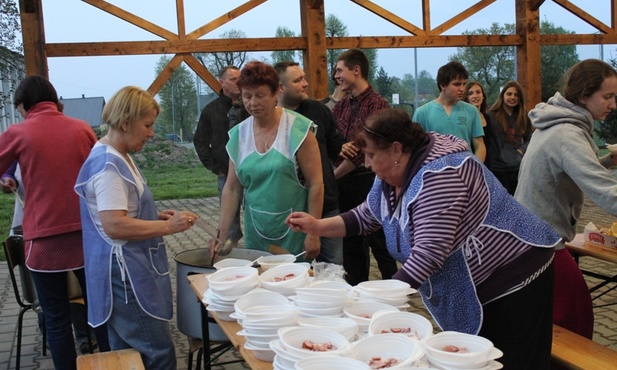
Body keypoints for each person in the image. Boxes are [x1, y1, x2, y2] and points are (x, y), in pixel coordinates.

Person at [287, 108, 560, 368]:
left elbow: (429, 254)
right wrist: (317, 225)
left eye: (370, 155)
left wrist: (377, 303)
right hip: (482, 281)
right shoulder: (393, 173)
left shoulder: (440, 175)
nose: (367, 164)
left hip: (514, 274)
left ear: (396, 149)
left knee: (510, 359)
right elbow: (365, 216)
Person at [74, 86, 199, 370]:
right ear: (125, 121)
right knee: (157, 353)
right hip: (123, 273)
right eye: (147, 125)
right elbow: (115, 225)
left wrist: (156, 216)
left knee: (126, 349)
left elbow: (123, 209)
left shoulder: (119, 155)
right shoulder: (108, 166)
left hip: (124, 267)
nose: (152, 133)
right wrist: (169, 228)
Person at [0, 75, 107, 369]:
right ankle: (112, 362)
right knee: (99, 310)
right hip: (89, 235)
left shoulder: (17, 132)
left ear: (24, 104)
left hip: (44, 240)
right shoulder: (82, 128)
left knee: (57, 318)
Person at [515, 59, 617, 340]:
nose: (613, 104)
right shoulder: (567, 133)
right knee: (576, 318)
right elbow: (606, 191)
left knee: (561, 317)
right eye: (607, 97)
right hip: (540, 243)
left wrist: (608, 160)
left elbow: (569, 168)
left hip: (528, 238)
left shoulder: (556, 121)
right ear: (584, 95)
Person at [209, 60, 324, 259]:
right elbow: (232, 188)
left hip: (294, 234)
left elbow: (316, 184)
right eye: (247, 96)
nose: (253, 103)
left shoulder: (298, 129)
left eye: (260, 96)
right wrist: (221, 234)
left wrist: (313, 233)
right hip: (257, 232)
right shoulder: (239, 135)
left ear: (276, 93)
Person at [1, 162, 97, 354]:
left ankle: (84, 334)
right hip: (29, 224)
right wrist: (6, 179)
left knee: (75, 287)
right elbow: (7, 170)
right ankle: (49, 335)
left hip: (65, 224)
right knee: (44, 291)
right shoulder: (20, 138)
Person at [274, 61, 345, 264]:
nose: (305, 84)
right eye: (298, 80)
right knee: (293, 273)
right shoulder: (270, 119)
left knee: (333, 271)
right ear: (280, 87)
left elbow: (335, 150)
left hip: (326, 208)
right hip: (289, 213)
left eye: (304, 78)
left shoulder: (318, 110)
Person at [193, 66, 247, 248]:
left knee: (255, 210)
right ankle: (230, 243)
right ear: (221, 82)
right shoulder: (211, 110)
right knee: (229, 217)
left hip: (251, 170)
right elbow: (200, 141)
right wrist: (216, 168)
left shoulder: (250, 106)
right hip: (225, 172)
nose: (238, 82)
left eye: (240, 78)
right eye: (233, 79)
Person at [413, 61, 486, 162]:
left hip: (465, 170)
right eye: (457, 84)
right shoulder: (422, 113)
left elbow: (479, 145)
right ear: (443, 85)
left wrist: (476, 167)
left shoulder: (471, 111)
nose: (462, 89)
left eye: (464, 84)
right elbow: (415, 149)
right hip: (434, 171)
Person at [487, 80, 532, 194]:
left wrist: (521, 150)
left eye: (516, 95)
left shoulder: (523, 117)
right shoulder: (491, 115)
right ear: (503, 96)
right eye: (509, 94)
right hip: (497, 168)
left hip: (517, 167)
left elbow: (529, 138)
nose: (512, 97)